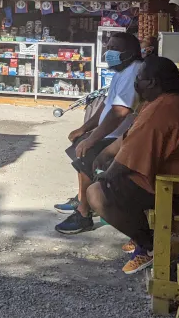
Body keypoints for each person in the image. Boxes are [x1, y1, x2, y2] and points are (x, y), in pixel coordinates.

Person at [86, 56, 179, 274]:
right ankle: (141, 233)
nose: (136, 83)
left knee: (98, 194)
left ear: (153, 82)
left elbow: (131, 157)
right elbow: (130, 138)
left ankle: (150, 246)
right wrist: (104, 154)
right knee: (112, 181)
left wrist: (105, 176)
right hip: (178, 181)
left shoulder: (165, 107)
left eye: (139, 78)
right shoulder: (161, 101)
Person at [55, 32, 143, 234]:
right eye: (108, 47)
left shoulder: (133, 72)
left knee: (87, 152)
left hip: (122, 138)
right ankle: (82, 197)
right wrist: (85, 129)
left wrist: (93, 138)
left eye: (114, 48)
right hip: (111, 134)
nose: (108, 52)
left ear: (129, 53)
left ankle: (84, 214)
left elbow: (120, 112)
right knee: (80, 144)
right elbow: (106, 104)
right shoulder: (121, 70)